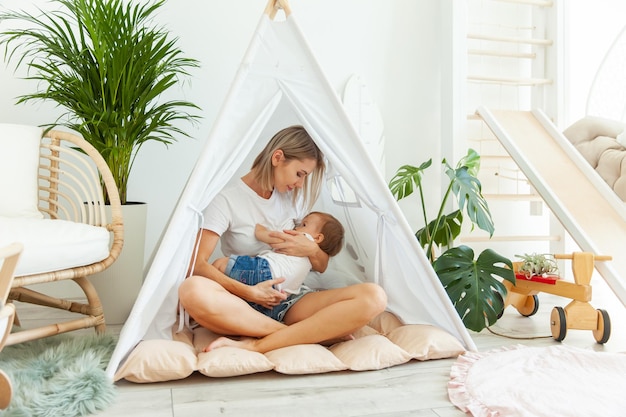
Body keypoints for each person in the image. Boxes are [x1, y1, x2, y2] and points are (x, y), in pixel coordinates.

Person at [178, 125, 387, 354]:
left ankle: (259, 343)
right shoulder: (227, 200)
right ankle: (306, 335)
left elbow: (321, 265)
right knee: (192, 290)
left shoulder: (292, 199)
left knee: (374, 296)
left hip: (290, 299)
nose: (300, 184)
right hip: (242, 303)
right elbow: (197, 264)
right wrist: (249, 292)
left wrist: (312, 249)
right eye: (300, 174)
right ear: (278, 157)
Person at [212, 211, 345, 297]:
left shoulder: (303, 238)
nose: (297, 228)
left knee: (219, 264)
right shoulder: (310, 259)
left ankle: (207, 293)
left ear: (317, 238)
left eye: (304, 224)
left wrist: (260, 228)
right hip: (281, 291)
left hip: (265, 271)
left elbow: (268, 236)